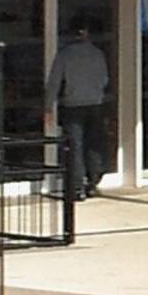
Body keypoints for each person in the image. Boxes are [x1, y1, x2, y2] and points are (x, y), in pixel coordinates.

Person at [52, 27, 113, 200]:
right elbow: (104, 79)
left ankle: (77, 188)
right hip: (95, 104)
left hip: (72, 105)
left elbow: (55, 81)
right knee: (94, 144)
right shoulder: (98, 54)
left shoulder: (65, 54)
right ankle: (92, 183)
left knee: (75, 147)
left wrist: (49, 105)